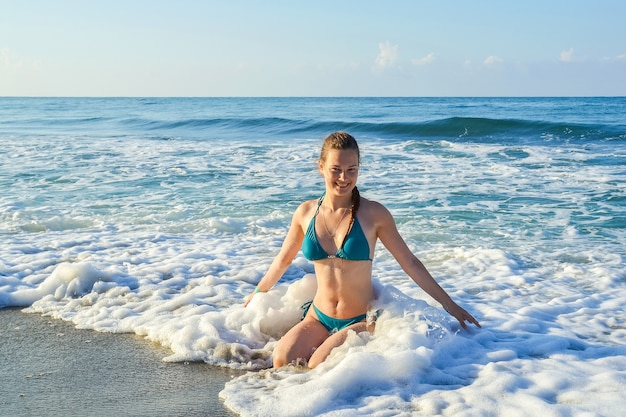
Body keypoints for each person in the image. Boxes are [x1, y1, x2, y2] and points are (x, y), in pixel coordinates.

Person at [244, 132, 480, 369]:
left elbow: (410, 262)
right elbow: (283, 259)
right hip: (318, 316)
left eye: (351, 169)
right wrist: (258, 293)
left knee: (317, 367)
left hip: (359, 318)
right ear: (321, 167)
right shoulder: (305, 213)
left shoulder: (374, 214)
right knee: (282, 360)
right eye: (336, 169)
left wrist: (450, 305)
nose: (344, 178)